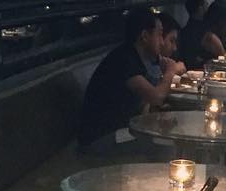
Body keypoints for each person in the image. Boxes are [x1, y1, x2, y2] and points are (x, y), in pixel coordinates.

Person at [78, 8, 186, 152]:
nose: (162, 42)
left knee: (171, 132)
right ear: (145, 36)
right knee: (165, 144)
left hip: (119, 130)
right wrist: (170, 71)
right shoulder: (124, 60)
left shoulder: (135, 57)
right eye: (159, 34)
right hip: (101, 138)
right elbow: (156, 97)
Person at [146, 13, 183, 84]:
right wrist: (172, 70)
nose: (175, 48)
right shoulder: (138, 63)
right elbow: (155, 89)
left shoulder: (158, 60)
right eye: (171, 40)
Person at [179, 0, 211, 69]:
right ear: (200, 8)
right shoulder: (199, 30)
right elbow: (193, 58)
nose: (207, 4)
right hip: (196, 69)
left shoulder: (187, 29)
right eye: (205, 3)